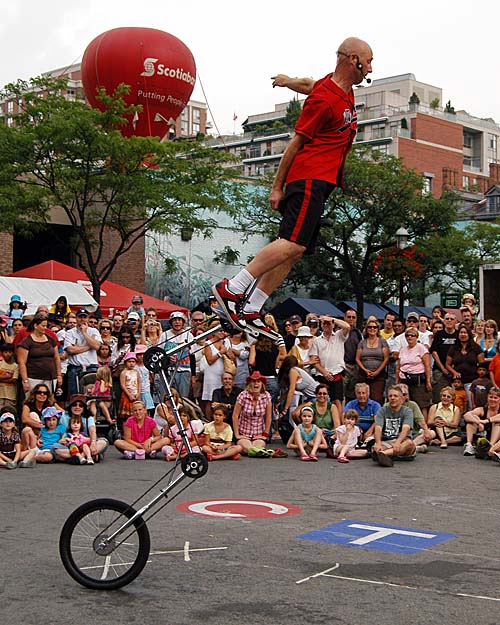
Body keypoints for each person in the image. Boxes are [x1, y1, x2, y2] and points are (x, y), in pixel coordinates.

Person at [213, 37, 373, 337]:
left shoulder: (338, 90)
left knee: (294, 251)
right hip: (308, 177)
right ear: (353, 59)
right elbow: (295, 142)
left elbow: (310, 83)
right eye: (369, 60)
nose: (371, 67)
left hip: (322, 183)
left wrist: (288, 82)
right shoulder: (324, 100)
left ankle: (252, 306)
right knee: (292, 242)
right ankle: (231, 288)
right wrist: (277, 186)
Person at [309, 315, 350, 415]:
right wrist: (324, 372)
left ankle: (339, 426)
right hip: (321, 375)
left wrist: (332, 319)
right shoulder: (316, 341)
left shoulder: (339, 336)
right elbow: (313, 360)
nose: (326, 325)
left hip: (337, 373)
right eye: (324, 323)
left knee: (337, 401)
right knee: (321, 400)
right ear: (321, 326)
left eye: (329, 323)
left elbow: (347, 326)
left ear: (333, 325)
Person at [54, 394, 108, 463]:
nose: (77, 407)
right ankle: (90, 456)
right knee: (55, 448)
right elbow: (60, 431)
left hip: (85, 443)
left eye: (80, 405)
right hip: (70, 444)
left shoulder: (88, 417)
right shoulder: (65, 416)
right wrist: (62, 440)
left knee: (104, 442)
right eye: (74, 405)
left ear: (84, 408)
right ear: (70, 406)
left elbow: (92, 431)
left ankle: (79, 457)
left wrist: (93, 443)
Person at [17, 313, 62, 395]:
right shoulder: (27, 342)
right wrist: (25, 380)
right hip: (33, 378)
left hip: (50, 377)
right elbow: (22, 362)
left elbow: (56, 358)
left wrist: (59, 375)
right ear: (35, 325)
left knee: (49, 401)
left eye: (46, 326)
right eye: (43, 326)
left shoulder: (50, 340)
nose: (45, 328)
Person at [372, 385, 416, 467]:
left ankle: (383, 455)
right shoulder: (382, 410)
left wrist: (398, 442)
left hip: (402, 441)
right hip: (387, 440)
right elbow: (378, 428)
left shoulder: (407, 411)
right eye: (390, 396)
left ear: (401, 398)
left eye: (395, 396)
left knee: (409, 444)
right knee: (375, 447)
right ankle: (388, 454)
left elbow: (406, 429)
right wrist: (378, 443)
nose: (392, 398)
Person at [64, 308, 102, 397]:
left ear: (88, 318)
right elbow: (70, 350)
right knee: (75, 396)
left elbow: (97, 346)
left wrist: (84, 333)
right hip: (75, 367)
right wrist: (89, 346)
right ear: (76, 318)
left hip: (91, 367)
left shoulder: (93, 331)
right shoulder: (70, 332)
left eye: (84, 317)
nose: (82, 319)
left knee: (92, 395)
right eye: (80, 317)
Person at [396, 327, 432, 420]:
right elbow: (398, 367)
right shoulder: (403, 349)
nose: (410, 337)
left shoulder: (421, 348)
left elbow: (427, 366)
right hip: (404, 379)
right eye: (408, 335)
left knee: (421, 404)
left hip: (418, 379)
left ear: (417, 337)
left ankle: (424, 427)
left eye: (412, 335)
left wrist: (428, 381)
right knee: (404, 403)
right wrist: (397, 382)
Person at [232, 371, 272, 454]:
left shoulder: (266, 396)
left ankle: (255, 451)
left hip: (258, 434)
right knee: (248, 448)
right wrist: (237, 434)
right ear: (250, 384)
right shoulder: (243, 395)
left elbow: (268, 417)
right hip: (244, 433)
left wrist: (265, 434)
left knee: (257, 447)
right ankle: (255, 452)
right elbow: (235, 416)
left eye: (258, 381)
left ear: (262, 384)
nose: (255, 384)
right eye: (253, 381)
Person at [446, 323, 484, 409]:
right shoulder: (453, 348)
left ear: (469, 334)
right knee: (456, 405)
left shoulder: (476, 347)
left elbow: (482, 363)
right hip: (457, 382)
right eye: (461, 332)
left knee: (471, 405)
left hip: (471, 381)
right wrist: (454, 372)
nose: (463, 335)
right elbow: (447, 364)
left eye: (465, 333)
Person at [202, 321, 233, 419]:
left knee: (221, 398)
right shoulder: (208, 343)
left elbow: (232, 358)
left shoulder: (227, 342)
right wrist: (220, 352)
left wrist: (227, 352)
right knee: (210, 399)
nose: (222, 333)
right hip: (211, 374)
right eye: (219, 331)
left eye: (223, 331)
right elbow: (210, 360)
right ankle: (208, 421)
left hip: (224, 373)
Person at [160, 311, 193, 399]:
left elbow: (192, 355)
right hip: (169, 371)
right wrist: (167, 359)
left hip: (184, 371)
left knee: (183, 398)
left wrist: (193, 375)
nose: (177, 322)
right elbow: (159, 353)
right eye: (174, 320)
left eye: (179, 320)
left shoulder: (188, 335)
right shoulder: (165, 335)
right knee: (168, 396)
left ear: (183, 322)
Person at [355, 319, 389, 405]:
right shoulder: (362, 342)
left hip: (379, 375)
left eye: (375, 327)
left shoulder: (382, 342)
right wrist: (365, 370)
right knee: (363, 398)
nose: (372, 329)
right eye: (370, 327)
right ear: (366, 329)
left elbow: (386, 359)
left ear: (378, 329)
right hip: (363, 374)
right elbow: (357, 359)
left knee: (376, 398)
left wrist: (377, 372)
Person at [430, 312, 458, 402]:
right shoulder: (439, 334)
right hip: (440, 370)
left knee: (456, 398)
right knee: (438, 398)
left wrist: (452, 369)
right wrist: (443, 368)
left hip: (456, 371)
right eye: (447, 319)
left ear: (456, 322)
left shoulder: (459, 335)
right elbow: (434, 352)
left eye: (451, 319)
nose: (449, 321)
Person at [343, 309, 363, 402]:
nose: (351, 319)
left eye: (353, 317)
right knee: (340, 393)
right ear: (345, 318)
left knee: (352, 394)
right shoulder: (339, 333)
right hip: (343, 366)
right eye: (349, 317)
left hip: (355, 366)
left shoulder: (358, 333)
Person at [118, 352, 141, 422]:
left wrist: (138, 393)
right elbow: (123, 385)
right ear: (125, 362)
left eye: (133, 362)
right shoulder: (124, 372)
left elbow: (139, 383)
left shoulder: (136, 372)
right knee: (126, 416)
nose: (131, 363)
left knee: (136, 413)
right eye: (129, 361)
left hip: (135, 395)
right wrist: (129, 395)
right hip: (127, 395)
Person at [134, 345, 154, 415]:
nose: (141, 356)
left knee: (147, 409)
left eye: (143, 354)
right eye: (139, 354)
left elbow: (151, 378)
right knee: (137, 409)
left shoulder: (148, 365)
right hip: (136, 391)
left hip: (146, 390)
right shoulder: (134, 366)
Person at [0, 343, 19, 413]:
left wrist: (1, 378)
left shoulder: (15, 366)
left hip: (11, 395)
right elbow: (11, 378)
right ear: (2, 353)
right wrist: (7, 376)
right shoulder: (1, 363)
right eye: (5, 352)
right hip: (1, 394)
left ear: (13, 353)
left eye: (10, 352)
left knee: (9, 412)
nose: (8, 354)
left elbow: (14, 380)